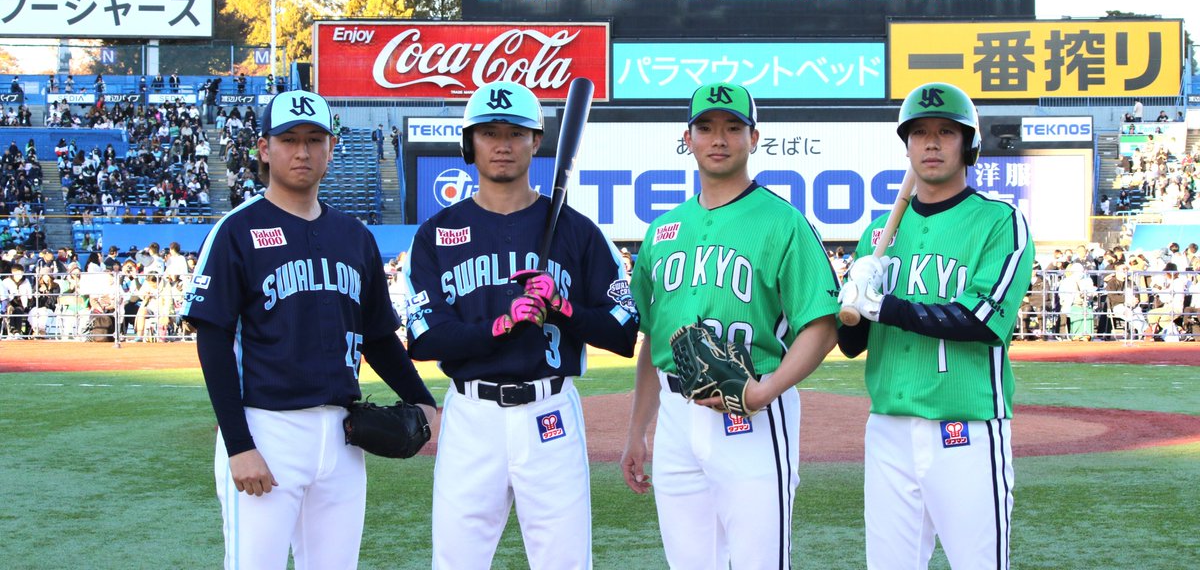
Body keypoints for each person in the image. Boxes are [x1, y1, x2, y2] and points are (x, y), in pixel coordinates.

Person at [182, 90, 436, 569]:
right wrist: (240, 446)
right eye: (290, 139)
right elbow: (212, 340)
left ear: (331, 148)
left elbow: (377, 336)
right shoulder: (237, 230)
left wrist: (422, 398)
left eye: (315, 139)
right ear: (264, 148)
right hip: (266, 429)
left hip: (343, 435)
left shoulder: (354, 236)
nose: (302, 152)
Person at [405, 80, 639, 569]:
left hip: (548, 412)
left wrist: (562, 309)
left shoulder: (577, 232)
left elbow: (622, 333)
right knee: (456, 561)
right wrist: (498, 326)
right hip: (471, 418)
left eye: (516, 132)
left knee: (565, 562)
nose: (503, 144)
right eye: (490, 133)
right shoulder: (437, 234)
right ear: (470, 143)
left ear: (536, 141)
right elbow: (423, 338)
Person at [621, 83, 839, 568]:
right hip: (676, 420)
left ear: (754, 138)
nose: (718, 138)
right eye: (706, 127)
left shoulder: (783, 222)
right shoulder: (663, 230)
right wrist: (638, 430)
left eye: (732, 127)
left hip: (752, 416)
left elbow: (822, 328)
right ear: (688, 138)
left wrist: (766, 390)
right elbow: (654, 336)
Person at [837, 81, 1033, 569]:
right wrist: (853, 294)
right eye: (919, 132)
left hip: (964, 429)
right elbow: (851, 344)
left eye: (946, 132)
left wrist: (883, 306)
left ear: (969, 145)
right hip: (887, 429)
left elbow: (982, 318)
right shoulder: (878, 235)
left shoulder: (999, 221)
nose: (930, 142)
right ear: (905, 144)